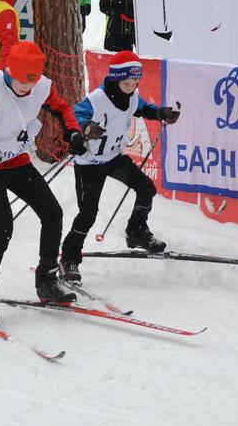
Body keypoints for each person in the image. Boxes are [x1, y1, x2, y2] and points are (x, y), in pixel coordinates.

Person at [0, 41, 88, 322]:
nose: (26, 88)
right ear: (9, 72)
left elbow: (61, 108)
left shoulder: (41, 86)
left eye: (31, 82)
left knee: (53, 213)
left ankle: (47, 279)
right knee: (2, 226)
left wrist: (73, 133)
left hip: (17, 161)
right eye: (20, 82)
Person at [60, 51, 180, 285]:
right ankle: (69, 258)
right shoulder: (98, 99)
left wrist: (161, 113)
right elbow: (76, 116)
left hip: (113, 158)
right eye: (127, 82)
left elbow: (143, 107)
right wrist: (85, 128)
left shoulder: (132, 95)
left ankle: (136, 231)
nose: (131, 87)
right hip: (90, 163)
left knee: (146, 188)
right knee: (88, 214)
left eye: (136, 82)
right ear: (115, 78)